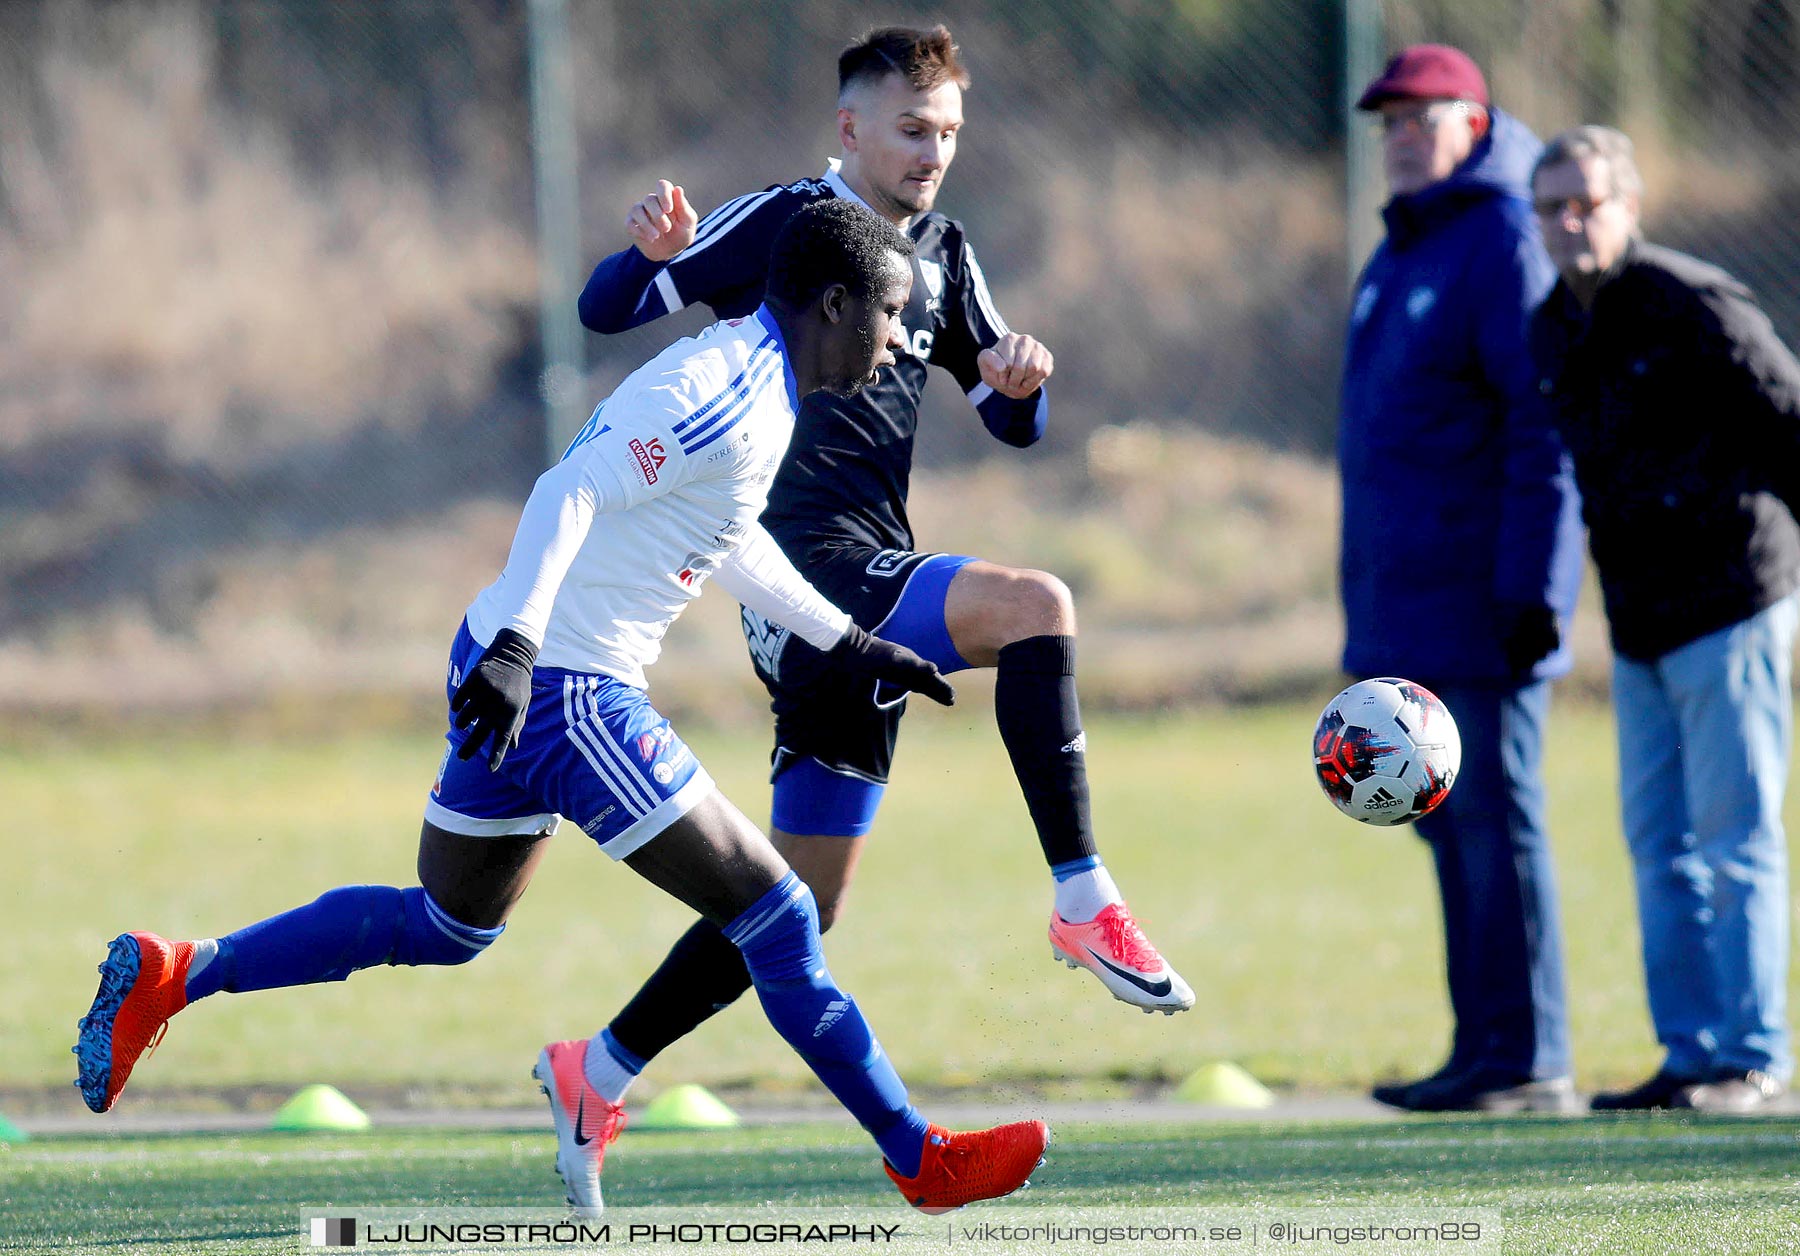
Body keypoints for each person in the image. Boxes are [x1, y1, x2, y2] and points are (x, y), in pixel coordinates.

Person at [73, 200, 1050, 1214]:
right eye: (889, 315)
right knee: (779, 912)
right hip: (563, 685)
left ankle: (175, 972)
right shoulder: (725, 391)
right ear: (836, 303)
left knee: (451, 923)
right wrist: (522, 650)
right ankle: (917, 1156)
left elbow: (729, 535)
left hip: (513, 657)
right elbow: (566, 490)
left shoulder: (756, 382)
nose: (897, 342)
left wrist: (848, 642)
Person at [559, 24, 1192, 1205]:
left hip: (873, 584)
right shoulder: (791, 225)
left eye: (948, 132)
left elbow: (1007, 414)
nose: (932, 152)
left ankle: (597, 1064)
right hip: (794, 573)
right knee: (1037, 605)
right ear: (851, 127)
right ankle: (1082, 897)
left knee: (797, 902)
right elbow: (609, 309)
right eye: (911, 128)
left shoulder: (947, 251)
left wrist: (1021, 389)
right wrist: (640, 255)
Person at [1530, 126, 1800, 1113]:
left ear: (1628, 206)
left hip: (1731, 603)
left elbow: (1788, 421)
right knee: (1658, 843)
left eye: (1586, 202)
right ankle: (1689, 1054)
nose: (1569, 222)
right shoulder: (1551, 326)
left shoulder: (1693, 302)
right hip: (1639, 621)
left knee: (1738, 839)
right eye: (1551, 206)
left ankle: (1751, 1055)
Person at [1340, 44, 1585, 1113]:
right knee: (1446, 818)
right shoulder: (1400, 251)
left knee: (1498, 817)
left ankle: (1530, 1054)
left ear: (1475, 125)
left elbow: (1544, 431)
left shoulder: (1500, 239)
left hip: (1483, 604)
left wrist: (1535, 589)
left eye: (1420, 116)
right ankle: (1481, 1049)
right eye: (1387, 119)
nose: (1399, 134)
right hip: (1407, 604)